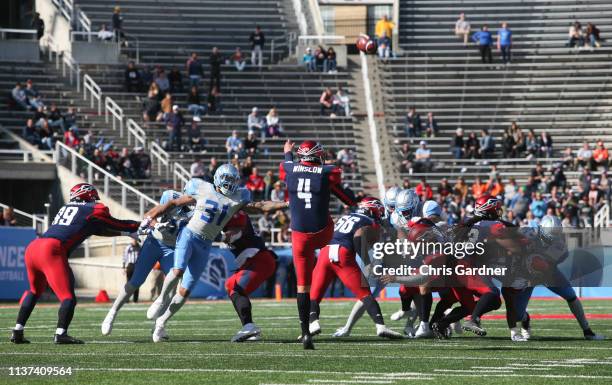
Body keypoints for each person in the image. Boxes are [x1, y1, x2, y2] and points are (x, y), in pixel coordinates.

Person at [143, 166, 288, 343]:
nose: (229, 183)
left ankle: (248, 327)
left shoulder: (235, 206)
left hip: (251, 255)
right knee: (218, 282)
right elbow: (174, 205)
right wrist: (151, 219)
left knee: (220, 287)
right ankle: (248, 326)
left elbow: (242, 224)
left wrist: (286, 203)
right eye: (226, 179)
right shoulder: (202, 192)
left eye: (232, 180)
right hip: (199, 240)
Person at [10, 183, 139, 344]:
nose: (95, 200)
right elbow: (115, 223)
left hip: (34, 247)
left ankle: (17, 331)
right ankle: (61, 334)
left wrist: (126, 233)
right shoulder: (93, 210)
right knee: (68, 297)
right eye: (93, 197)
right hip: (51, 249)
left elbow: (95, 229)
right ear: (88, 196)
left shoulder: (67, 209)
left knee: (34, 291)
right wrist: (137, 226)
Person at [279, 140, 356, 349]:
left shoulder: (288, 167)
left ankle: (306, 333)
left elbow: (288, 164)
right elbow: (333, 175)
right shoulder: (327, 171)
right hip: (323, 233)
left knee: (302, 286)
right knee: (334, 195)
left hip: (299, 237)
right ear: (317, 156)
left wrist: (288, 153)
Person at [309, 198, 403, 339]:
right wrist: (367, 263)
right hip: (342, 254)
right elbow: (358, 238)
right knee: (365, 294)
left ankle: (312, 323)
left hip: (324, 252)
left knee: (314, 296)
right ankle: (381, 326)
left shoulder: (345, 216)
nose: (380, 215)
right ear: (373, 210)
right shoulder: (368, 222)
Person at [101, 190, 192, 335]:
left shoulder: (196, 209)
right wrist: (155, 225)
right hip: (154, 242)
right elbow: (149, 215)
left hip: (173, 248)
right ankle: (112, 313)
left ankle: (159, 325)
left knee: (172, 287)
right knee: (136, 281)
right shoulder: (170, 197)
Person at [221, 211, 277, 342]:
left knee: (238, 290)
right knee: (230, 285)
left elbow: (225, 236)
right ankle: (249, 329)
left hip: (260, 260)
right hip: (252, 261)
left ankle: (248, 326)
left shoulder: (238, 228)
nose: (231, 231)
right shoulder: (234, 222)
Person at [122, 238, 141, 303]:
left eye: (135, 239)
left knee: (137, 283)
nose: (134, 240)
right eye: (133, 239)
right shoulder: (128, 247)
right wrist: (123, 267)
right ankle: (126, 299)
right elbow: (124, 257)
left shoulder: (140, 247)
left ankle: (135, 300)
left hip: (137, 266)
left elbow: (141, 257)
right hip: (130, 266)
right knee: (128, 283)